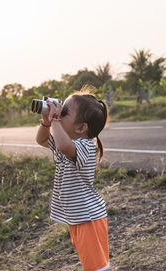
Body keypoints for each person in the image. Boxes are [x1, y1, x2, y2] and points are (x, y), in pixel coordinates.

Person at [35, 86, 110, 271]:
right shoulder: (68, 141)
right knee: (90, 264)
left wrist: (54, 120)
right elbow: (42, 140)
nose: (59, 114)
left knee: (97, 267)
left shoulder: (86, 146)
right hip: (77, 218)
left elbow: (64, 147)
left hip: (88, 218)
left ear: (81, 127)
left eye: (64, 112)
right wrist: (46, 122)